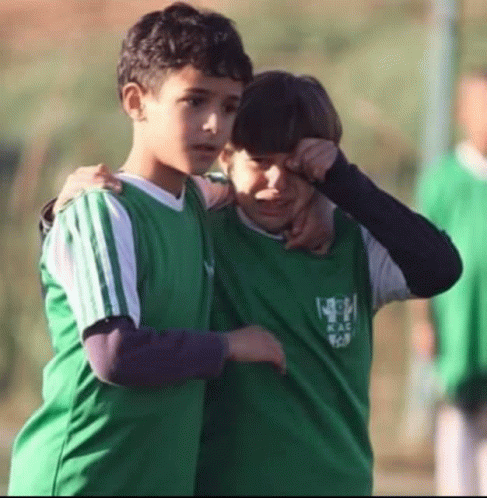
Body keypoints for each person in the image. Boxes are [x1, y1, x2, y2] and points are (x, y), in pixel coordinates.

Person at [44, 70, 463, 495]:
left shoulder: (348, 239)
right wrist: (65, 208)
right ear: (226, 157)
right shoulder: (198, 226)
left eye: (297, 169)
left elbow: (440, 268)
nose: (277, 183)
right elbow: (123, 229)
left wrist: (342, 185)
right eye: (260, 162)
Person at [7, 4, 288, 496]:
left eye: (228, 107)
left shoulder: (198, 201)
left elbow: (261, 188)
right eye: (194, 101)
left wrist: (323, 201)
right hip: (82, 478)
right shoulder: (103, 210)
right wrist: (228, 345)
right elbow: (115, 355)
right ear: (136, 101)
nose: (213, 125)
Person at [411, 71, 487, 496]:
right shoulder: (443, 179)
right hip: (460, 326)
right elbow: (420, 258)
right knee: (458, 423)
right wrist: (426, 323)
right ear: (463, 113)